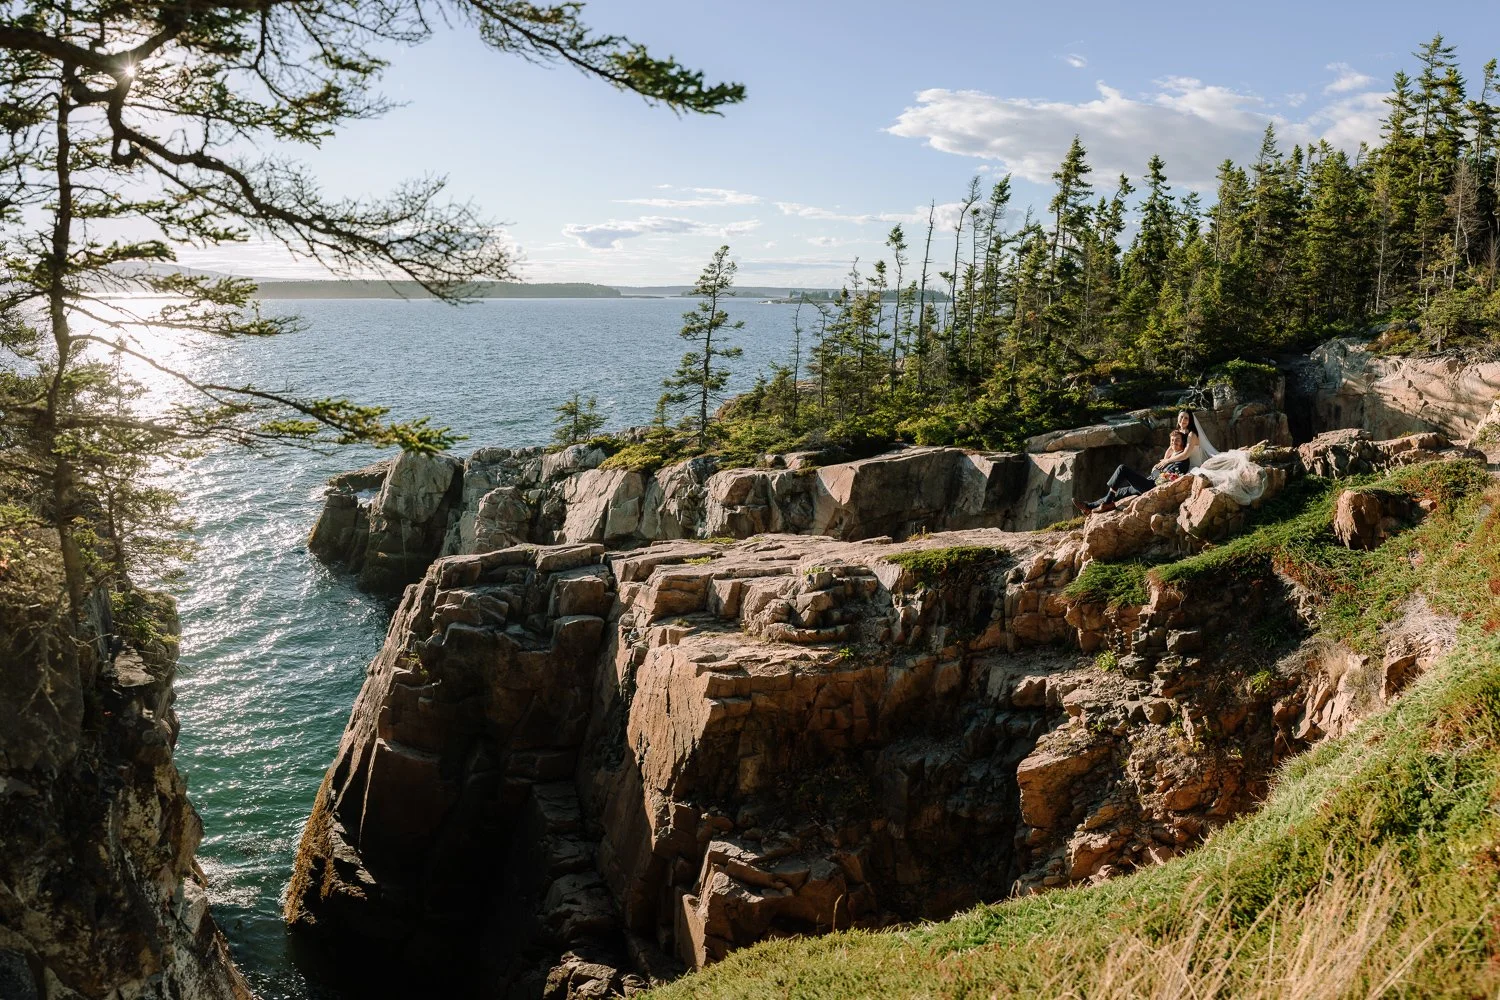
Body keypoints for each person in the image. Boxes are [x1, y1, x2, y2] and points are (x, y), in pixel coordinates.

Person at [1076, 429, 1192, 514]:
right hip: (1149, 481)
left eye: (1177, 440)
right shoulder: (1171, 456)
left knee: (1123, 469)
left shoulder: (1182, 460)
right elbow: (1158, 473)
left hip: (1153, 487)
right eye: (1172, 440)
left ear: (1183, 442)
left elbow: (1172, 477)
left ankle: (1107, 504)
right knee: (1119, 491)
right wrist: (1155, 471)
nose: (1173, 443)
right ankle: (1088, 507)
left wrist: (1158, 475)